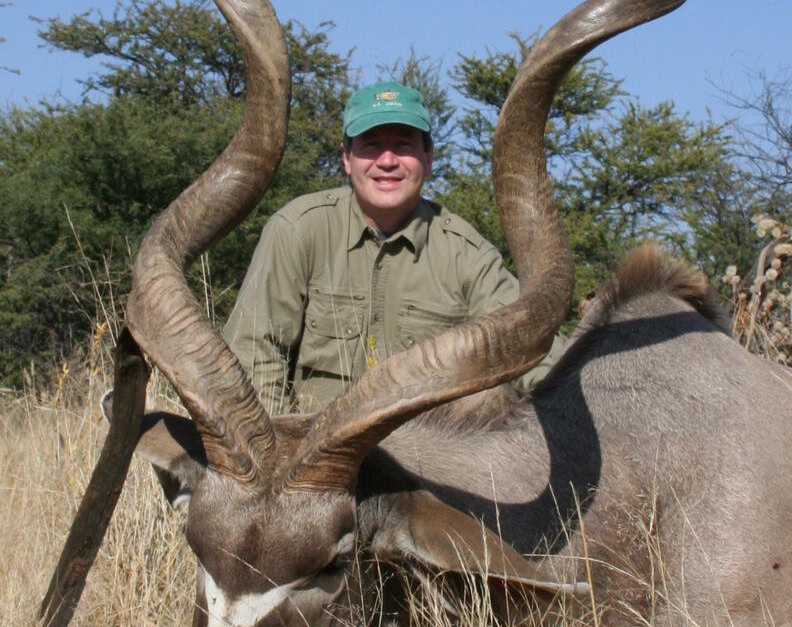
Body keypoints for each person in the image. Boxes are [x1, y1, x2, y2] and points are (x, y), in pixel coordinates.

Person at [222, 80, 561, 412]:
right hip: (312, 457)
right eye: (370, 145)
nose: (387, 160)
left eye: (403, 145)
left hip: (426, 462)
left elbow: (536, 350)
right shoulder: (298, 229)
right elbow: (253, 353)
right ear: (347, 158)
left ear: (427, 158)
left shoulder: (468, 256)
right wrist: (281, 456)